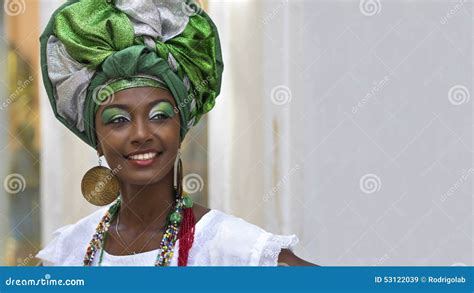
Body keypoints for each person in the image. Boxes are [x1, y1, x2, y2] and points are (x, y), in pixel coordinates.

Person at [35, 0, 316, 266]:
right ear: (96, 138)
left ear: (180, 129)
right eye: (118, 120)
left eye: (159, 115)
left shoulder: (232, 249)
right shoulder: (69, 251)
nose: (141, 133)